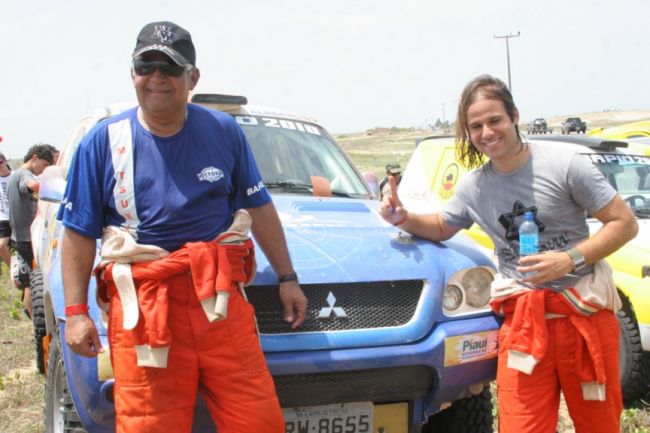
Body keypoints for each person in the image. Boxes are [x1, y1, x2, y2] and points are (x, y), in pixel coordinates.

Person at [58, 21, 307, 433]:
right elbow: (78, 232)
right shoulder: (103, 142)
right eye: (146, 65)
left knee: (257, 421)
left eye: (170, 67)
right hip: (146, 309)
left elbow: (258, 207)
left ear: (192, 77)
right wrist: (75, 313)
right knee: (148, 426)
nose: (157, 77)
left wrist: (287, 276)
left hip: (219, 301)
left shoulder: (224, 131)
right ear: (132, 73)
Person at [379, 74, 638, 433]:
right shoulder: (475, 186)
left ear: (514, 115)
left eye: (495, 120)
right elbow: (442, 225)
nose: (487, 132)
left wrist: (570, 259)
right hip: (524, 326)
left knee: (599, 425)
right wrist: (403, 218)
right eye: (476, 126)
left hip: (584, 319)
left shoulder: (566, 166)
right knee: (521, 426)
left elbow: (624, 223)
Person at [7, 144, 55, 318]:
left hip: (19, 234)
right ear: (34, 157)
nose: (43, 170)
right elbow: (33, 185)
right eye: (44, 164)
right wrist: (53, 188)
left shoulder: (15, 175)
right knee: (31, 280)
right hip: (27, 236)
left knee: (28, 276)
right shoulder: (23, 174)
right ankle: (36, 318)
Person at [0, 152, 13, 271]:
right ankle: (14, 271)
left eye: (0, 162)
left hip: (17, 216)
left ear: (6, 161)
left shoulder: (15, 176)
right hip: (3, 218)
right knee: (1, 246)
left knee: (24, 247)